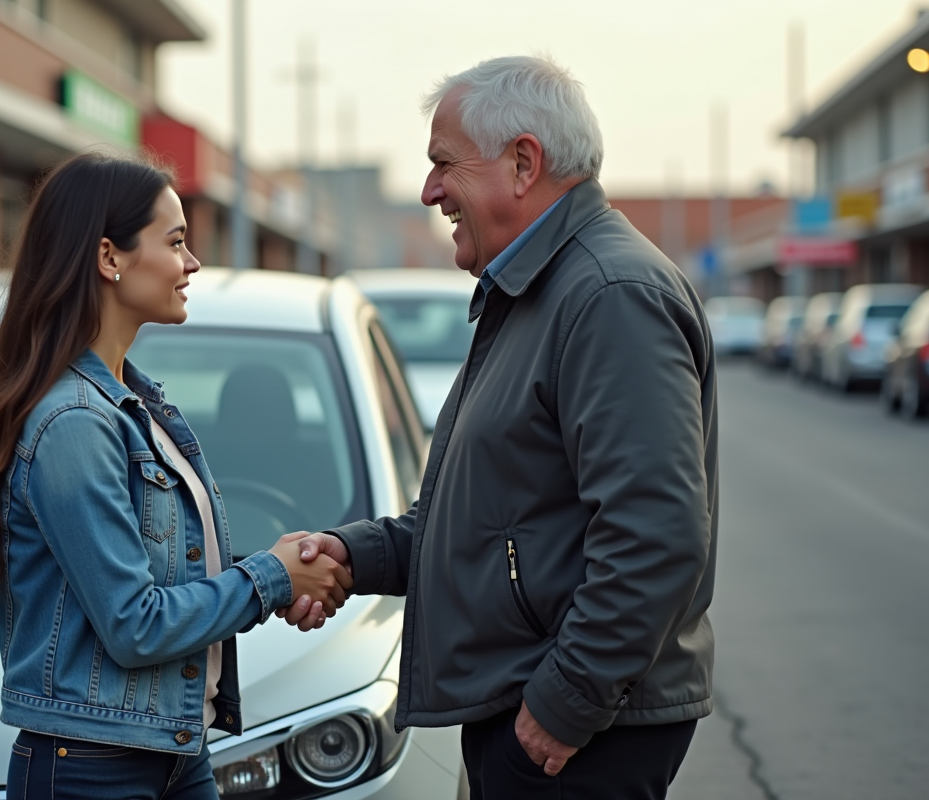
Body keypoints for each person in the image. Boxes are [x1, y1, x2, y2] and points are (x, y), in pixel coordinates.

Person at [283, 55, 718, 799]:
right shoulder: (541, 290)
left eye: (443, 164)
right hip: (539, 711)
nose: (429, 191)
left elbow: (657, 535)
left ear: (523, 163)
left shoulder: (607, 295)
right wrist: (356, 556)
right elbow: (489, 522)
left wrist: (561, 707)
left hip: (576, 734)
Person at [0, 152, 351, 799]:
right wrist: (271, 578)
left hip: (171, 750)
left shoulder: (132, 403)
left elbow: (171, 576)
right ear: (110, 258)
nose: (192, 264)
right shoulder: (74, 421)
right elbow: (134, 622)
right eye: (176, 241)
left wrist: (282, 576)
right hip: (92, 768)